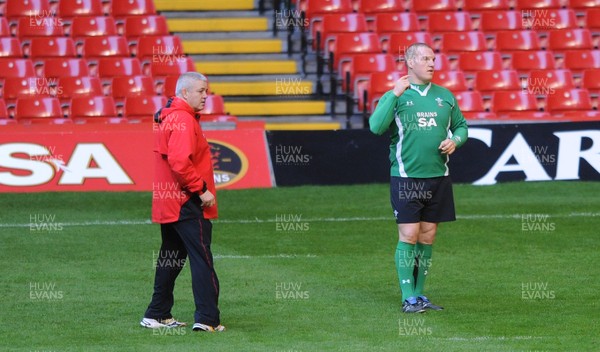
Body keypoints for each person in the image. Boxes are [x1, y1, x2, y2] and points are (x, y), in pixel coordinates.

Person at [369, 43, 468, 313]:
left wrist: (455, 141)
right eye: (425, 58)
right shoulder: (398, 95)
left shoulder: (444, 96)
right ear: (410, 62)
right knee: (409, 234)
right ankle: (407, 297)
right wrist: (393, 94)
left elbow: (461, 126)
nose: (432, 63)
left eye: (433, 59)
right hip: (406, 178)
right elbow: (376, 127)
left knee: (427, 236)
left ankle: (420, 295)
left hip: (438, 177)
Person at [140, 72, 225, 331]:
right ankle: (207, 319)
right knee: (202, 258)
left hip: (170, 201)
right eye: (201, 91)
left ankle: (157, 313)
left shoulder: (170, 116)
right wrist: (201, 190)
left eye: (206, 91)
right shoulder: (183, 119)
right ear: (185, 93)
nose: (205, 96)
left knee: (171, 257)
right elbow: (179, 162)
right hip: (186, 200)